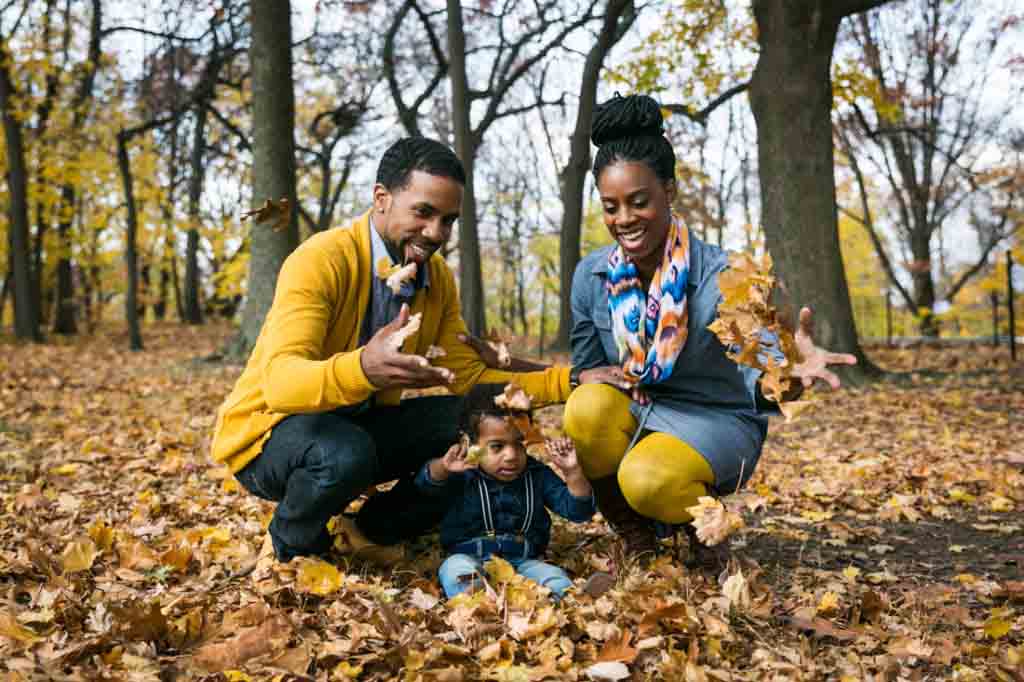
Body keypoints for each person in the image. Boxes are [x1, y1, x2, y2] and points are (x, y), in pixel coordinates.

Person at [211, 137, 618, 563]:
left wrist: (571, 380)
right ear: (382, 198)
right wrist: (365, 369)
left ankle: (369, 529)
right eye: (423, 212)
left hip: (357, 426)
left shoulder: (435, 279)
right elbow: (280, 384)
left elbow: (473, 380)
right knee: (345, 451)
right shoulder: (320, 260)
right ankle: (288, 546)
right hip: (269, 438)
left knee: (467, 425)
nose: (436, 233)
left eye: (448, 220)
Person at [558, 94, 858, 568]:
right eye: (610, 207)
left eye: (639, 202)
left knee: (647, 479)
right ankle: (633, 532)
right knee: (585, 408)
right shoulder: (591, 276)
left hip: (716, 418)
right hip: (642, 410)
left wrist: (792, 371)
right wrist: (588, 378)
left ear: (669, 191)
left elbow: (766, 379)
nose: (624, 220)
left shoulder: (724, 277)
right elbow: (586, 367)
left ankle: (706, 533)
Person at [414, 384, 595, 600]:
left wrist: (573, 473)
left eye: (519, 444)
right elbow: (424, 486)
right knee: (456, 574)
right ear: (469, 443)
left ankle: (558, 600)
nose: (511, 455)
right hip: (467, 556)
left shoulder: (536, 474)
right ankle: (476, 604)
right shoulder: (462, 473)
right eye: (497, 447)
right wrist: (442, 467)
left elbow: (577, 512)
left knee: (556, 578)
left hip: (524, 562)